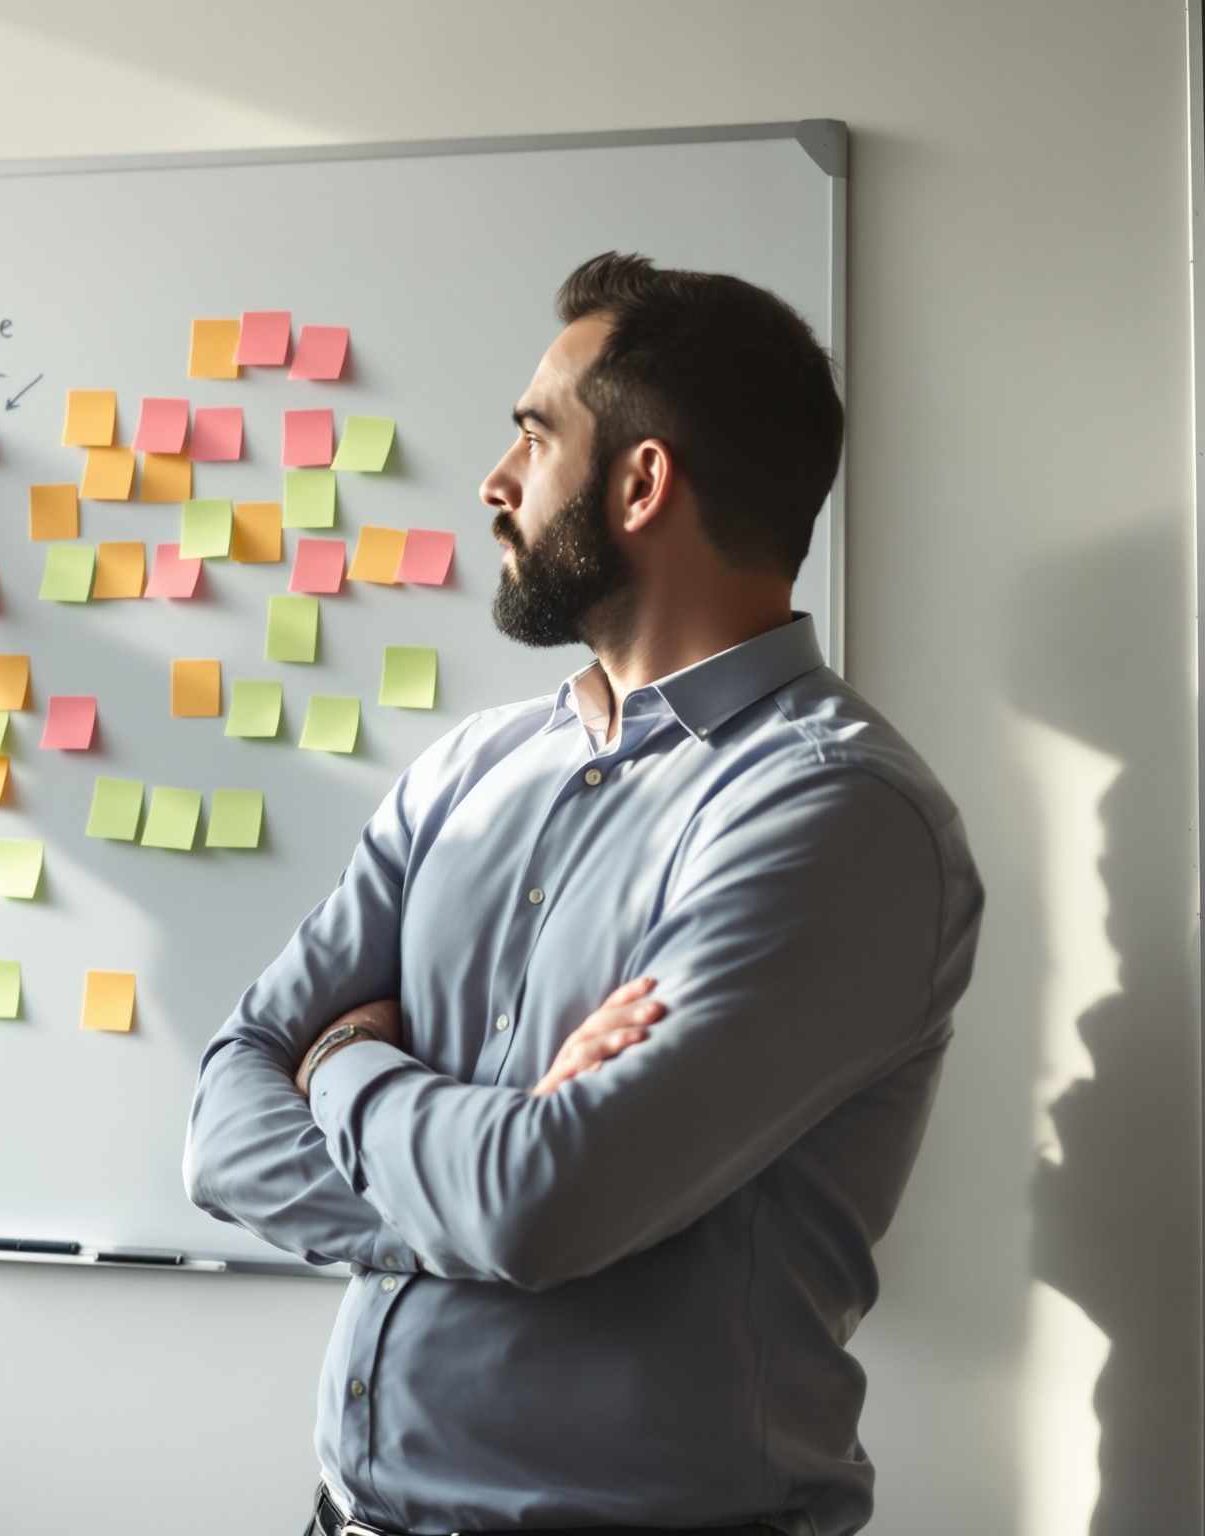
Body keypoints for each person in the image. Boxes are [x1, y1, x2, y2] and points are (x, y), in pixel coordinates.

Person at [183, 253, 983, 1536]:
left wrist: (340, 1070)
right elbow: (220, 1128)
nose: (496, 484)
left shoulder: (837, 818)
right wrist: (490, 1173)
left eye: (532, 437)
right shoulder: (469, 772)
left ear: (642, 480)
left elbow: (539, 1204)